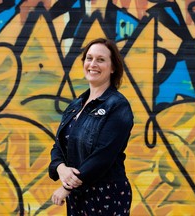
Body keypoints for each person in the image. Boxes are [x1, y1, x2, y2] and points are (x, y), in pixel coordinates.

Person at [49, 38, 134, 215]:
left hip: (107, 196)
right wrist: (61, 169)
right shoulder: (75, 105)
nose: (93, 64)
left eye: (100, 60)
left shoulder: (118, 106)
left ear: (112, 68)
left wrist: (67, 187)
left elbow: (103, 155)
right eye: (89, 58)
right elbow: (58, 146)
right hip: (78, 195)